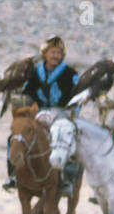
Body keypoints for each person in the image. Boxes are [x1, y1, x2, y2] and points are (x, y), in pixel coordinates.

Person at [5, 35, 79, 193]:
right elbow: (25, 93)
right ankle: (13, 174)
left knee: (69, 138)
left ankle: (67, 179)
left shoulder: (70, 74)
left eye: (59, 53)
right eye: (52, 52)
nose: (55, 56)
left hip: (61, 114)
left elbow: (77, 98)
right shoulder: (33, 73)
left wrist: (72, 114)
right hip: (36, 112)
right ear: (45, 53)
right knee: (15, 137)